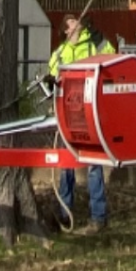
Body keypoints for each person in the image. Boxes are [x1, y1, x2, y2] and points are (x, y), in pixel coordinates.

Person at [48, 13, 116, 232]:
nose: (75, 22)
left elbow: (112, 57)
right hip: (68, 115)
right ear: (66, 30)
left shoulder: (95, 43)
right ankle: (64, 213)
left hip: (90, 113)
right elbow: (52, 75)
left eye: (76, 19)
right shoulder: (60, 53)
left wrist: (99, 38)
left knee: (94, 166)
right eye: (70, 21)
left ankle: (99, 216)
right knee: (66, 164)